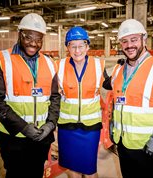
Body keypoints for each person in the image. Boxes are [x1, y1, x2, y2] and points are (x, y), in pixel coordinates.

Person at [0, 13, 60, 178]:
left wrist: (50, 124)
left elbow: (55, 98)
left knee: (36, 173)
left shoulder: (50, 63)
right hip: (14, 139)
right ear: (19, 34)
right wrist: (24, 128)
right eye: (28, 37)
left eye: (39, 39)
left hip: (41, 137)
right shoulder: (0, 59)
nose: (34, 43)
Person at [103, 19, 153, 178]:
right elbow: (109, 88)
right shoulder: (118, 70)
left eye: (134, 40)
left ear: (144, 39)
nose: (129, 45)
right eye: (124, 41)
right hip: (122, 142)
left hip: (146, 146)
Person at [56, 26, 107, 178]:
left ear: (87, 46)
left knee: (89, 170)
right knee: (72, 169)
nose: (77, 51)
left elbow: (115, 85)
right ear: (68, 48)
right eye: (73, 46)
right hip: (67, 128)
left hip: (90, 129)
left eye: (81, 46)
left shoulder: (99, 65)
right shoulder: (59, 66)